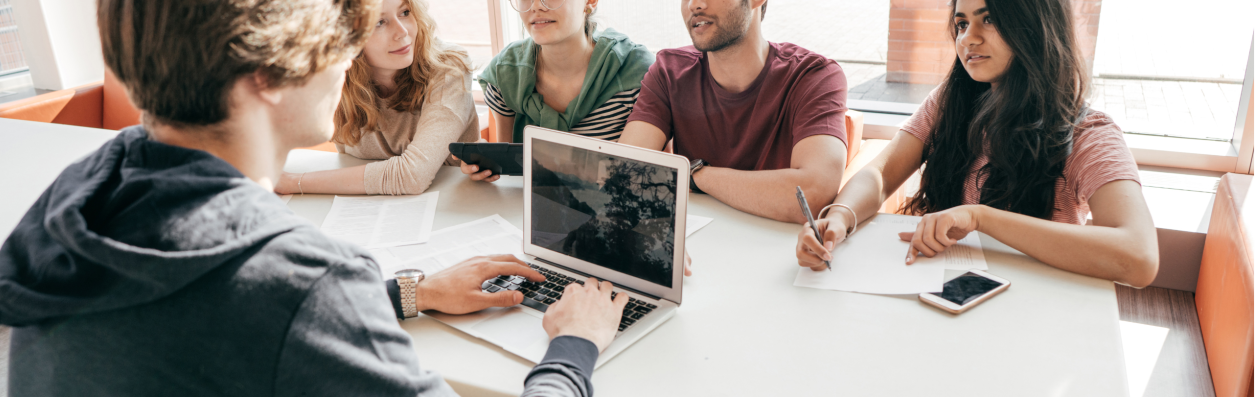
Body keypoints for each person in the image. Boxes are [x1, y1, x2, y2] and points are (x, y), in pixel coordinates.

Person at [0, 0, 628, 397]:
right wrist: (573, 347)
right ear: (265, 70)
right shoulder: (301, 281)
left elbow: (231, 326)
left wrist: (411, 292)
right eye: (331, 32)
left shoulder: (78, 196)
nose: (346, 54)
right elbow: (276, 304)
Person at [795, 0, 1159, 287]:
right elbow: (880, 172)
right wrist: (840, 217)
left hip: (1036, 310)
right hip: (944, 292)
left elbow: (1140, 258)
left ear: (1034, 26)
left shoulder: (1088, 134)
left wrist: (980, 218)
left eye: (989, 19)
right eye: (962, 23)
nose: (969, 37)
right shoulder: (951, 100)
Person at [616, 0, 849, 223]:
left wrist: (694, 175)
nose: (694, 4)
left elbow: (812, 195)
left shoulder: (813, 76)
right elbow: (623, 173)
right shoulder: (668, 72)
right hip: (697, 248)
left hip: (780, 250)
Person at [275, 0, 479, 196]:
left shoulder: (449, 66)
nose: (402, 32)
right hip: (362, 209)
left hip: (447, 203)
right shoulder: (336, 74)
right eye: (379, 22)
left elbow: (412, 176)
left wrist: (293, 182)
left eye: (405, 12)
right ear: (345, 36)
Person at [463, 0, 655, 183]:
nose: (536, 6)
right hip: (532, 210)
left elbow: (649, 176)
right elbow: (508, 173)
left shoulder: (636, 72)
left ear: (590, 1)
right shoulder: (504, 73)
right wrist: (485, 167)